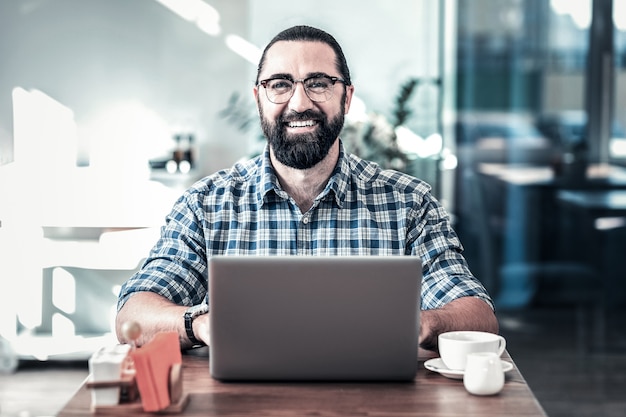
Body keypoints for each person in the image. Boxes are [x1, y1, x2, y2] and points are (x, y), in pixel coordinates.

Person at [116, 25, 498, 352]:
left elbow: (478, 317)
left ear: (347, 97)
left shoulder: (409, 204)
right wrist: (199, 323)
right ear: (258, 99)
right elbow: (132, 317)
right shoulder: (205, 205)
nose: (299, 103)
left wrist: (420, 324)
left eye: (318, 83)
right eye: (280, 85)